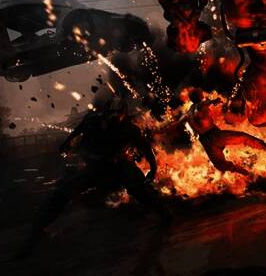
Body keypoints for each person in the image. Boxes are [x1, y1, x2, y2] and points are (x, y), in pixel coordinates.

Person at [16, 99, 168, 258]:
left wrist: (153, 169)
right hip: (95, 168)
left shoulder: (129, 129)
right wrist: (67, 142)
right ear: (105, 112)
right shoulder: (92, 120)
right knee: (60, 195)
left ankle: (164, 213)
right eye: (110, 113)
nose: (113, 117)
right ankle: (34, 235)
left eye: (117, 114)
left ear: (123, 114)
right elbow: (80, 128)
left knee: (138, 189)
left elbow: (145, 148)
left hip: (118, 166)